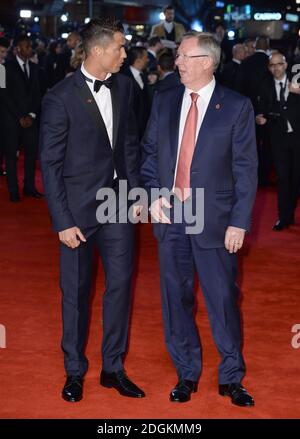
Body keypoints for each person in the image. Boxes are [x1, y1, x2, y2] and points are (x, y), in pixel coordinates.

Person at [141, 32, 257, 406]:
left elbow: (246, 169)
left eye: (184, 57)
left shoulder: (236, 106)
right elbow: (149, 155)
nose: (177, 62)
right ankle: (186, 373)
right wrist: (154, 193)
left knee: (222, 298)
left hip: (215, 219)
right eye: (178, 57)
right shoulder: (163, 101)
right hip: (172, 215)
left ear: (207, 62)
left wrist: (239, 223)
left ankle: (231, 376)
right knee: (176, 299)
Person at [40, 18, 144, 403]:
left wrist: (135, 196)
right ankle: (74, 371)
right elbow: (48, 164)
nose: (124, 54)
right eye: (119, 47)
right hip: (78, 212)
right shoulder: (59, 97)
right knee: (76, 292)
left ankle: (113, 368)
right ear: (98, 50)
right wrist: (62, 222)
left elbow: (129, 145)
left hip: (116, 203)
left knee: (120, 287)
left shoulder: (124, 87)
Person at [256, 53, 300, 230]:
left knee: (296, 179)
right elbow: (260, 109)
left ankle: (290, 210)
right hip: (278, 140)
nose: (276, 68)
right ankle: (284, 217)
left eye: (279, 64)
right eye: (272, 65)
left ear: (286, 65)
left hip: (297, 139)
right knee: (283, 179)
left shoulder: (297, 80)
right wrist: (259, 118)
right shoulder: (264, 85)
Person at [2, 35, 43, 201]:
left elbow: (38, 94)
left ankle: (29, 187)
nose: (30, 49)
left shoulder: (35, 68)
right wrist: (20, 116)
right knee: (11, 156)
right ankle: (13, 190)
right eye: (26, 46)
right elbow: (3, 96)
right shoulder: (3, 68)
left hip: (31, 120)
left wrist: (32, 115)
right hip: (12, 121)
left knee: (31, 156)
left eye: (30, 46)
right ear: (17, 49)